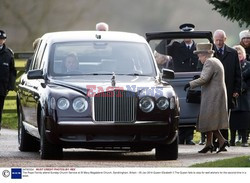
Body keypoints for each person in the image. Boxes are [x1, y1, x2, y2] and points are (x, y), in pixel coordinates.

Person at [184, 43, 229, 153]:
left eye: (199, 56)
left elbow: (204, 79)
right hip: (215, 95)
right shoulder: (216, 61)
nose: (199, 59)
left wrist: (190, 84)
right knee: (209, 119)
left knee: (210, 120)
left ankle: (222, 141)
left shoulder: (209, 62)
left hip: (213, 96)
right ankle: (209, 144)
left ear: (204, 55)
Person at [213, 29, 242, 143]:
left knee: (225, 116)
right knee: (214, 115)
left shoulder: (232, 53)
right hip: (214, 91)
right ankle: (215, 140)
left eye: (221, 40)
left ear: (225, 39)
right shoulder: (211, 53)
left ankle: (224, 141)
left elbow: (237, 73)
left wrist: (237, 90)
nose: (219, 43)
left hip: (228, 89)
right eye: (217, 40)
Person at [229, 45, 250, 147]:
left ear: (243, 54)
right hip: (234, 95)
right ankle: (232, 140)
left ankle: (244, 140)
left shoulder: (248, 65)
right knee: (233, 119)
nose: (238, 55)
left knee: (244, 119)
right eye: (236, 53)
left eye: (240, 53)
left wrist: (241, 86)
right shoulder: (230, 65)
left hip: (245, 96)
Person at [0, 30, 16, 131]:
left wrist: (10, 86)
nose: (0, 41)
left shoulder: (8, 54)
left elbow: (12, 71)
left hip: (2, 88)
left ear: (4, 40)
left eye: (2, 39)